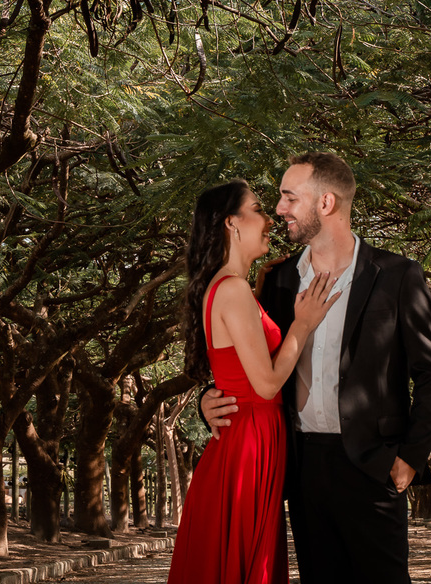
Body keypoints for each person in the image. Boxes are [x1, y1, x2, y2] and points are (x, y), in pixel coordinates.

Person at [202, 152, 431, 584]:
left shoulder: (398, 275)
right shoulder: (276, 282)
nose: (279, 210)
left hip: (374, 466)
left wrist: (410, 457)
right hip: (302, 467)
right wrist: (209, 397)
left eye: (289, 198)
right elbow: (247, 359)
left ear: (326, 203)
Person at [168, 180, 341, 584]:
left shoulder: (232, 288)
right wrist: (303, 323)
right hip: (249, 439)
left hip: (249, 436)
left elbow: (238, 363)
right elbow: (264, 384)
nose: (270, 219)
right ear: (232, 223)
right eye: (259, 209)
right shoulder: (231, 290)